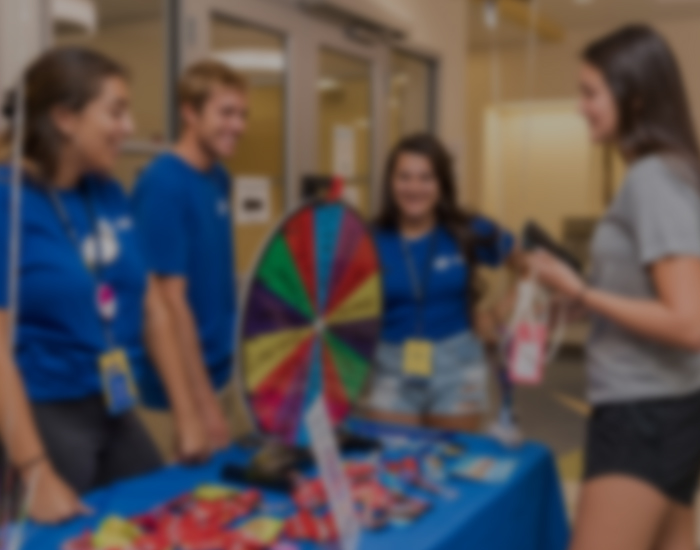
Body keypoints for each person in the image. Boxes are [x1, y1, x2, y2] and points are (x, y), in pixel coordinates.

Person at [0, 48, 208, 525]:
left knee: (160, 521)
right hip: (44, 412)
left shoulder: (107, 190)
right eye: (115, 111)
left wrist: (186, 411)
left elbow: (152, 306)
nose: (129, 127)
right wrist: (34, 473)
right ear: (65, 118)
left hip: (114, 403)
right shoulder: (6, 200)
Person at [528, 26, 700, 550]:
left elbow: (689, 323)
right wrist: (587, 302)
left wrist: (582, 291)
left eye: (590, 93)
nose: (580, 107)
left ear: (636, 97)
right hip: (672, 406)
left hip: (641, 414)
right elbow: (658, 291)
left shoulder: (651, 178)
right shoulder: (675, 171)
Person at [364, 134, 516, 432]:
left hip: (456, 367)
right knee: (394, 466)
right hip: (391, 367)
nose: (414, 188)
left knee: (451, 465)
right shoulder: (368, 239)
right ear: (390, 183)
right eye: (404, 177)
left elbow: (532, 269)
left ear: (442, 184)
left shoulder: (468, 229)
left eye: (426, 178)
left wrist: (496, 316)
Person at [132, 61, 248, 451]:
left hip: (220, 369)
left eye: (242, 114)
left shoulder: (219, 177)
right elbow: (170, 302)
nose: (238, 126)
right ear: (189, 113)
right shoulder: (163, 184)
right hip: (177, 390)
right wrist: (201, 407)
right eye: (226, 113)